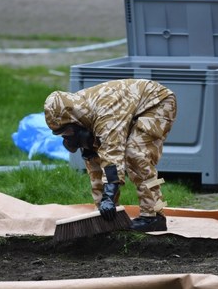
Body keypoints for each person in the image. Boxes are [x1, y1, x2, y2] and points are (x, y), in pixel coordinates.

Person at [44, 79, 177, 232]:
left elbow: (112, 155)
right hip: (127, 109)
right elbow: (94, 165)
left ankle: (154, 215)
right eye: (61, 134)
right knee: (91, 152)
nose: (66, 137)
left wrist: (109, 196)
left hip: (156, 102)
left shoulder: (106, 113)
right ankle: (112, 218)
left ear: (73, 121)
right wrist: (103, 208)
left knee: (135, 155)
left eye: (66, 132)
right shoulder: (80, 116)